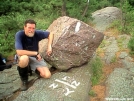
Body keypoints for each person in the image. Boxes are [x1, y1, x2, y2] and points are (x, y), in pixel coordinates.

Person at [15, 19, 54, 91]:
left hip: (34, 58)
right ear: (24, 27)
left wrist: (49, 46)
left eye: (33, 28)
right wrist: (36, 53)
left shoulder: (37, 33)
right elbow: (19, 52)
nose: (31, 30)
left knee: (47, 75)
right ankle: (24, 80)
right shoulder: (19, 34)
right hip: (24, 56)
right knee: (24, 59)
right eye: (29, 28)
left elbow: (50, 34)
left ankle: (30, 68)